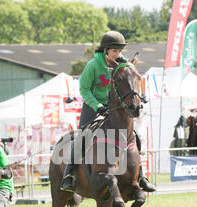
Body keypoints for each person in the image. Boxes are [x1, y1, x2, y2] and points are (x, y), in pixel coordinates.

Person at [60, 30, 156, 193]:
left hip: (117, 108)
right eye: (114, 51)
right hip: (93, 106)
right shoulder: (93, 65)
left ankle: (141, 175)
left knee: (135, 136)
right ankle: (69, 175)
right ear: (105, 51)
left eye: (120, 51)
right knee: (82, 135)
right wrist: (97, 106)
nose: (118, 54)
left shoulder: (124, 65)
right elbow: (84, 90)